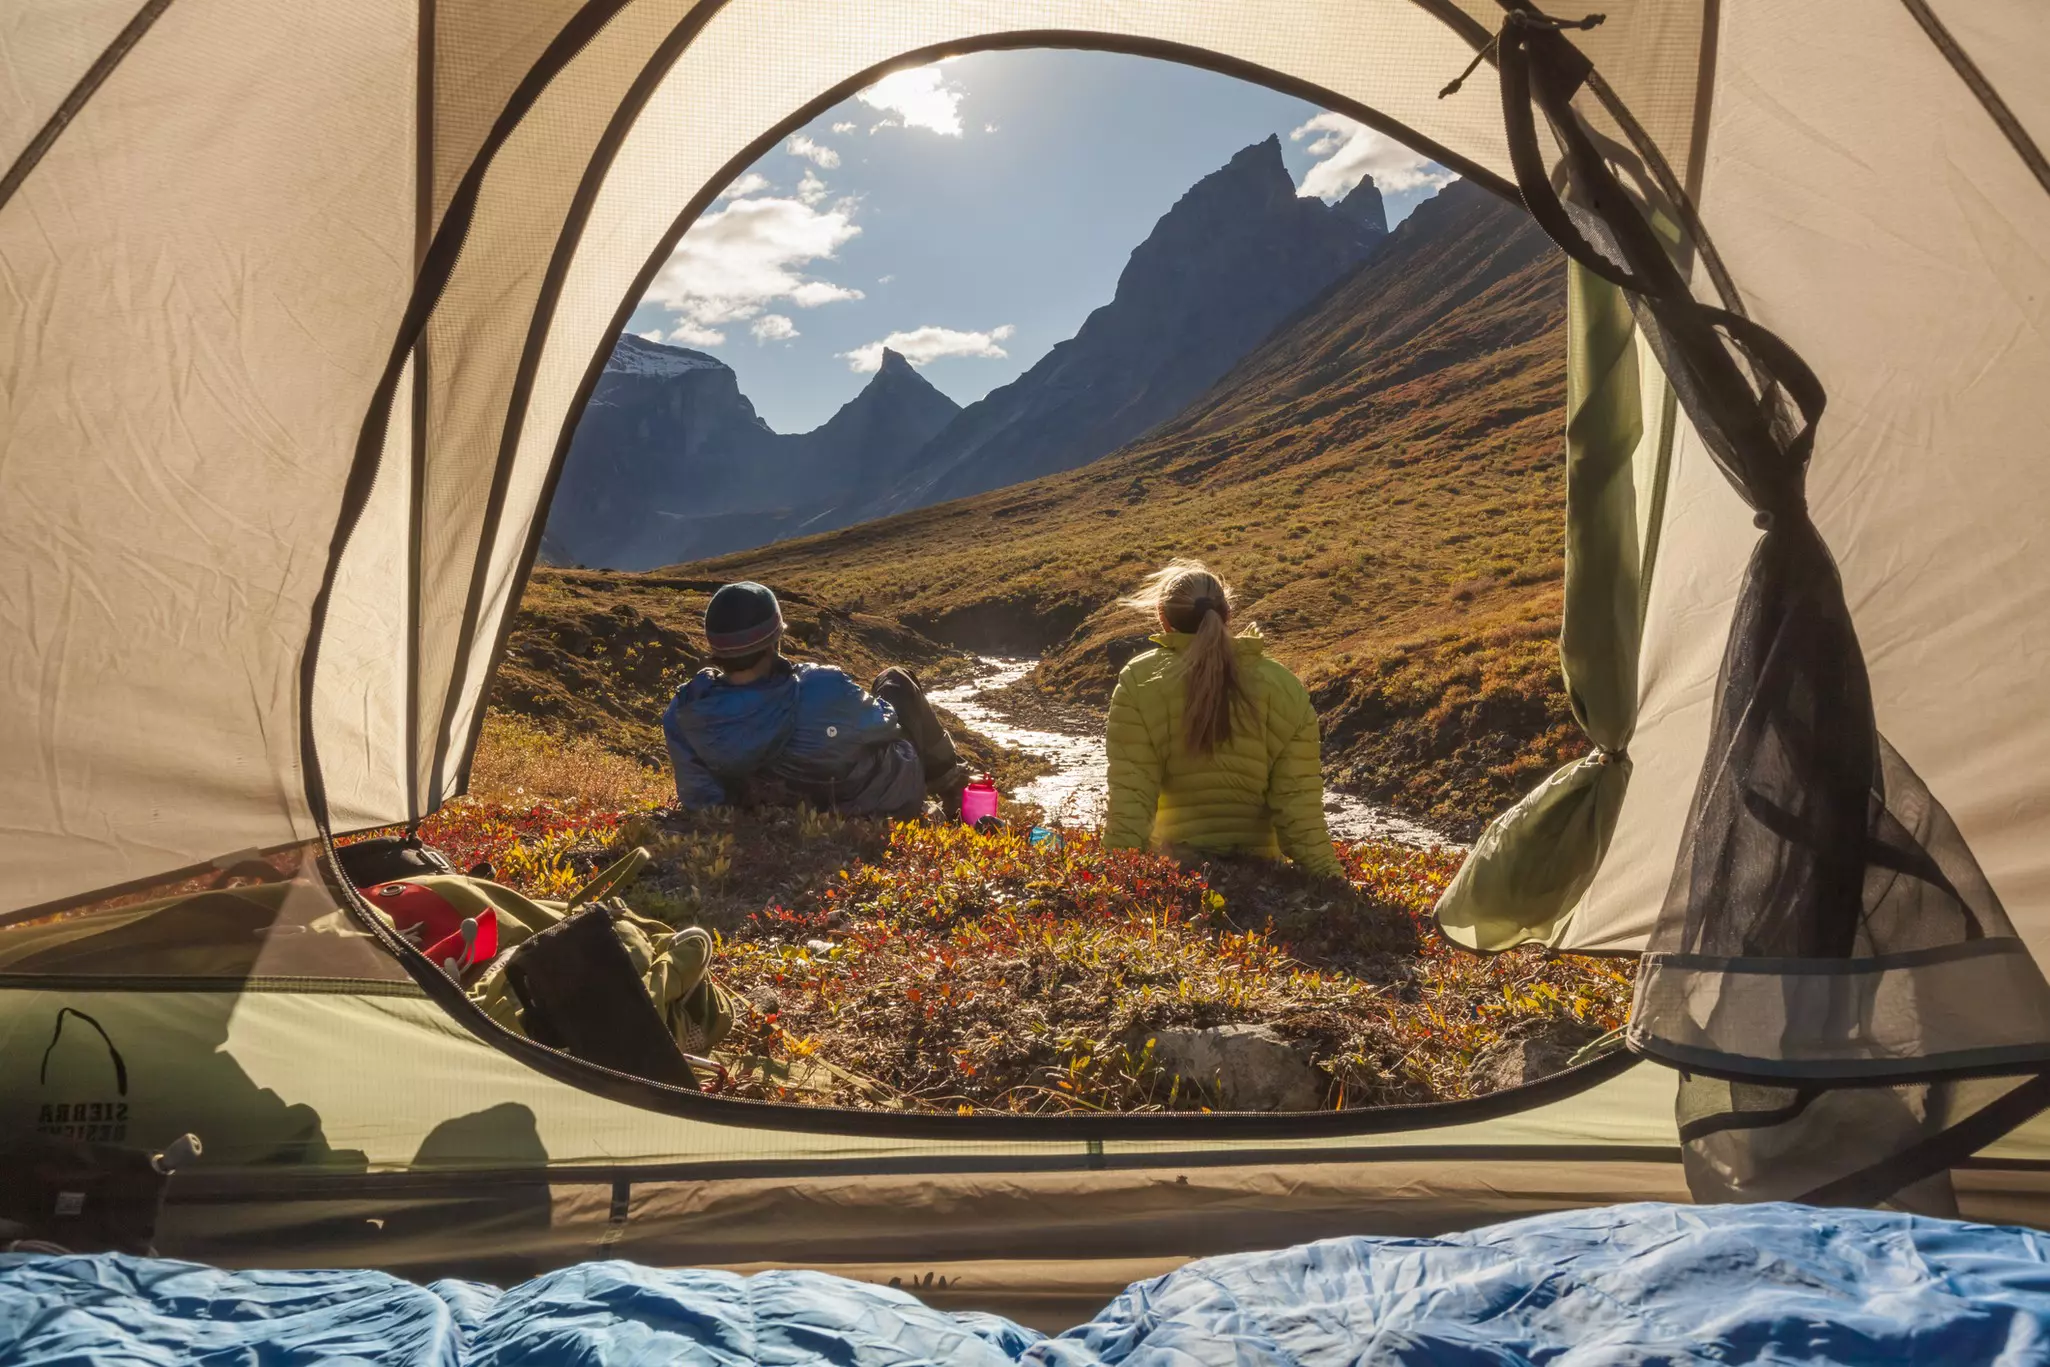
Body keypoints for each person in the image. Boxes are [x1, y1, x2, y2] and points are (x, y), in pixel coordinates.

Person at [1103, 560, 1344, 878]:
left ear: (1163, 618)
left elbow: (1131, 800)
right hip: (1260, 876)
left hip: (1178, 877)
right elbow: (1299, 808)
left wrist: (1113, 882)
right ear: (1227, 613)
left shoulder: (1140, 680)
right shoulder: (1283, 685)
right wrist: (1334, 881)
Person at [663, 582, 968, 817]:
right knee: (896, 680)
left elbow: (699, 797)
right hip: (876, 801)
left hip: (779, 814)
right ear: (774, 640)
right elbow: (886, 723)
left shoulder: (686, 710)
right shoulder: (821, 686)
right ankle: (955, 792)